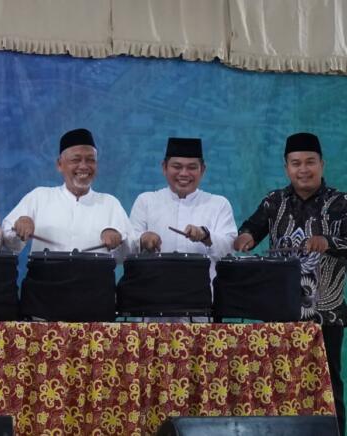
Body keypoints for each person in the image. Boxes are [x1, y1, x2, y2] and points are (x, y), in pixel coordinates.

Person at [234, 132, 347, 434]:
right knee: (278, 383)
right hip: (280, 311)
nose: (303, 169)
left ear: (322, 164)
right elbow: (251, 227)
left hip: (326, 312)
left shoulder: (341, 202)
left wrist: (330, 241)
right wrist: (245, 237)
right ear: (286, 167)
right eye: (296, 163)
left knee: (328, 384)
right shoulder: (274, 201)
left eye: (310, 162)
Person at [2, 128, 131, 255]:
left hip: (94, 276)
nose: (84, 166)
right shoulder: (39, 196)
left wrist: (118, 241)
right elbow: (9, 246)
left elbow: (128, 253)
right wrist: (19, 227)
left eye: (90, 160)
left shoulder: (110, 203)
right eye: (76, 160)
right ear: (59, 164)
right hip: (45, 275)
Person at [129, 137, 237, 272]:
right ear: (164, 167)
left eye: (192, 167)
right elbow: (128, 248)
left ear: (202, 170)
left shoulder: (219, 204)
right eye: (177, 167)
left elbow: (230, 249)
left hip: (203, 289)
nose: (184, 174)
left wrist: (205, 235)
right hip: (155, 288)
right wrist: (143, 239)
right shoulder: (146, 201)